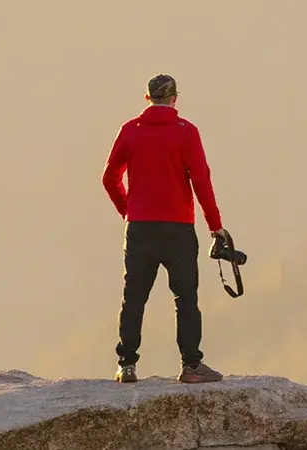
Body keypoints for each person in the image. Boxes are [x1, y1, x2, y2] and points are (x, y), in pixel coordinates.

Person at [101, 74, 228, 384]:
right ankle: (191, 366)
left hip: (141, 228)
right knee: (185, 298)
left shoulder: (131, 131)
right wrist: (216, 227)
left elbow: (110, 178)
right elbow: (201, 182)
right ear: (174, 99)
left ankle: (127, 365)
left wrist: (128, 211)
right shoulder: (187, 133)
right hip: (178, 229)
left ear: (148, 98)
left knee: (134, 298)